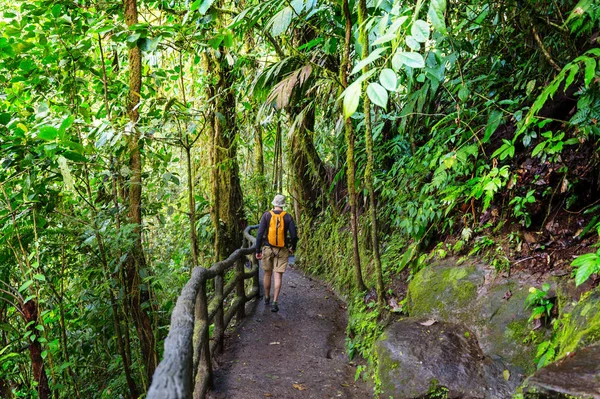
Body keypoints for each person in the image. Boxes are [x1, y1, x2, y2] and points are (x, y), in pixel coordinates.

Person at [255, 194, 298, 312]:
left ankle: (267, 297)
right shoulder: (288, 217)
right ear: (283, 205)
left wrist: (258, 250)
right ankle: (275, 302)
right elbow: (294, 236)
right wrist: (293, 247)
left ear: (274, 204)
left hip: (268, 249)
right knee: (277, 275)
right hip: (282, 250)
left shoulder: (266, 215)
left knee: (267, 274)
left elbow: (259, 234)